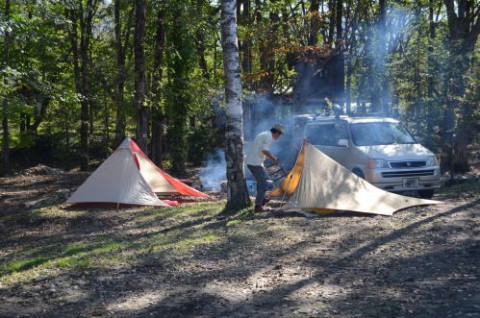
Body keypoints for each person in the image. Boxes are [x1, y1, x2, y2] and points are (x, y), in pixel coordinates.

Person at [245, 124, 284, 212]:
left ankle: (260, 202)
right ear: (277, 133)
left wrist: (267, 158)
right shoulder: (269, 137)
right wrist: (274, 159)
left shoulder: (263, 134)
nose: (278, 138)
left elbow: (260, 150)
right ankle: (258, 206)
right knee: (263, 183)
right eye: (279, 135)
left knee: (261, 182)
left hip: (253, 162)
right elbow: (265, 151)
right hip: (255, 163)